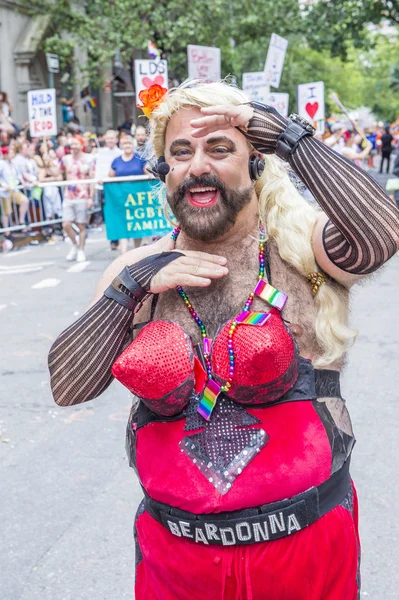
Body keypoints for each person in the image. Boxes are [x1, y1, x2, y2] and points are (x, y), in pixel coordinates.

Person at [48, 81, 399, 600]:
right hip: (177, 562)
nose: (197, 166)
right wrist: (133, 286)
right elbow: (67, 387)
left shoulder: (301, 250)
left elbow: (381, 234)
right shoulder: (134, 275)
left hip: (305, 554)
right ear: (163, 171)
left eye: (220, 148)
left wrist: (288, 137)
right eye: (181, 151)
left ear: (256, 162)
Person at [109, 135, 146, 253]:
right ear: (121, 146)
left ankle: (136, 251)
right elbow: (110, 177)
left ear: (133, 145)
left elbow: (148, 172)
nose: (127, 146)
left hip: (137, 198)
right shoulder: (116, 160)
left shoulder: (140, 159)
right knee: (122, 224)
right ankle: (123, 253)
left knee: (136, 224)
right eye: (125, 144)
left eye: (129, 144)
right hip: (121, 199)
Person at [61, 136, 95, 262]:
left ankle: (81, 250)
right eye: (72, 144)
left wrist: (91, 196)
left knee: (81, 225)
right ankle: (74, 245)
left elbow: (92, 178)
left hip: (83, 196)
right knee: (66, 224)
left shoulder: (89, 159)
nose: (73, 147)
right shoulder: (65, 159)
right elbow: (57, 173)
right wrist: (47, 162)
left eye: (76, 144)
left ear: (81, 145)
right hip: (68, 195)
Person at [94, 129, 122, 250]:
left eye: (112, 138)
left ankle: (119, 237)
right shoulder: (100, 153)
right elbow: (96, 168)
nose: (110, 140)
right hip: (103, 187)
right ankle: (113, 238)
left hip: (117, 186)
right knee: (108, 213)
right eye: (108, 138)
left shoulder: (120, 153)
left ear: (116, 139)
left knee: (118, 211)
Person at [0, 145, 29, 230]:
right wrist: (3, 184)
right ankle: (7, 231)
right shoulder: (1, 163)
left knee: (24, 201)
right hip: (4, 191)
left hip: (14, 189)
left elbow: (19, 174)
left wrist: (23, 182)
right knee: (6, 212)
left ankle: (21, 221)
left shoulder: (13, 163)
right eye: (10, 152)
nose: (12, 154)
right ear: (5, 154)